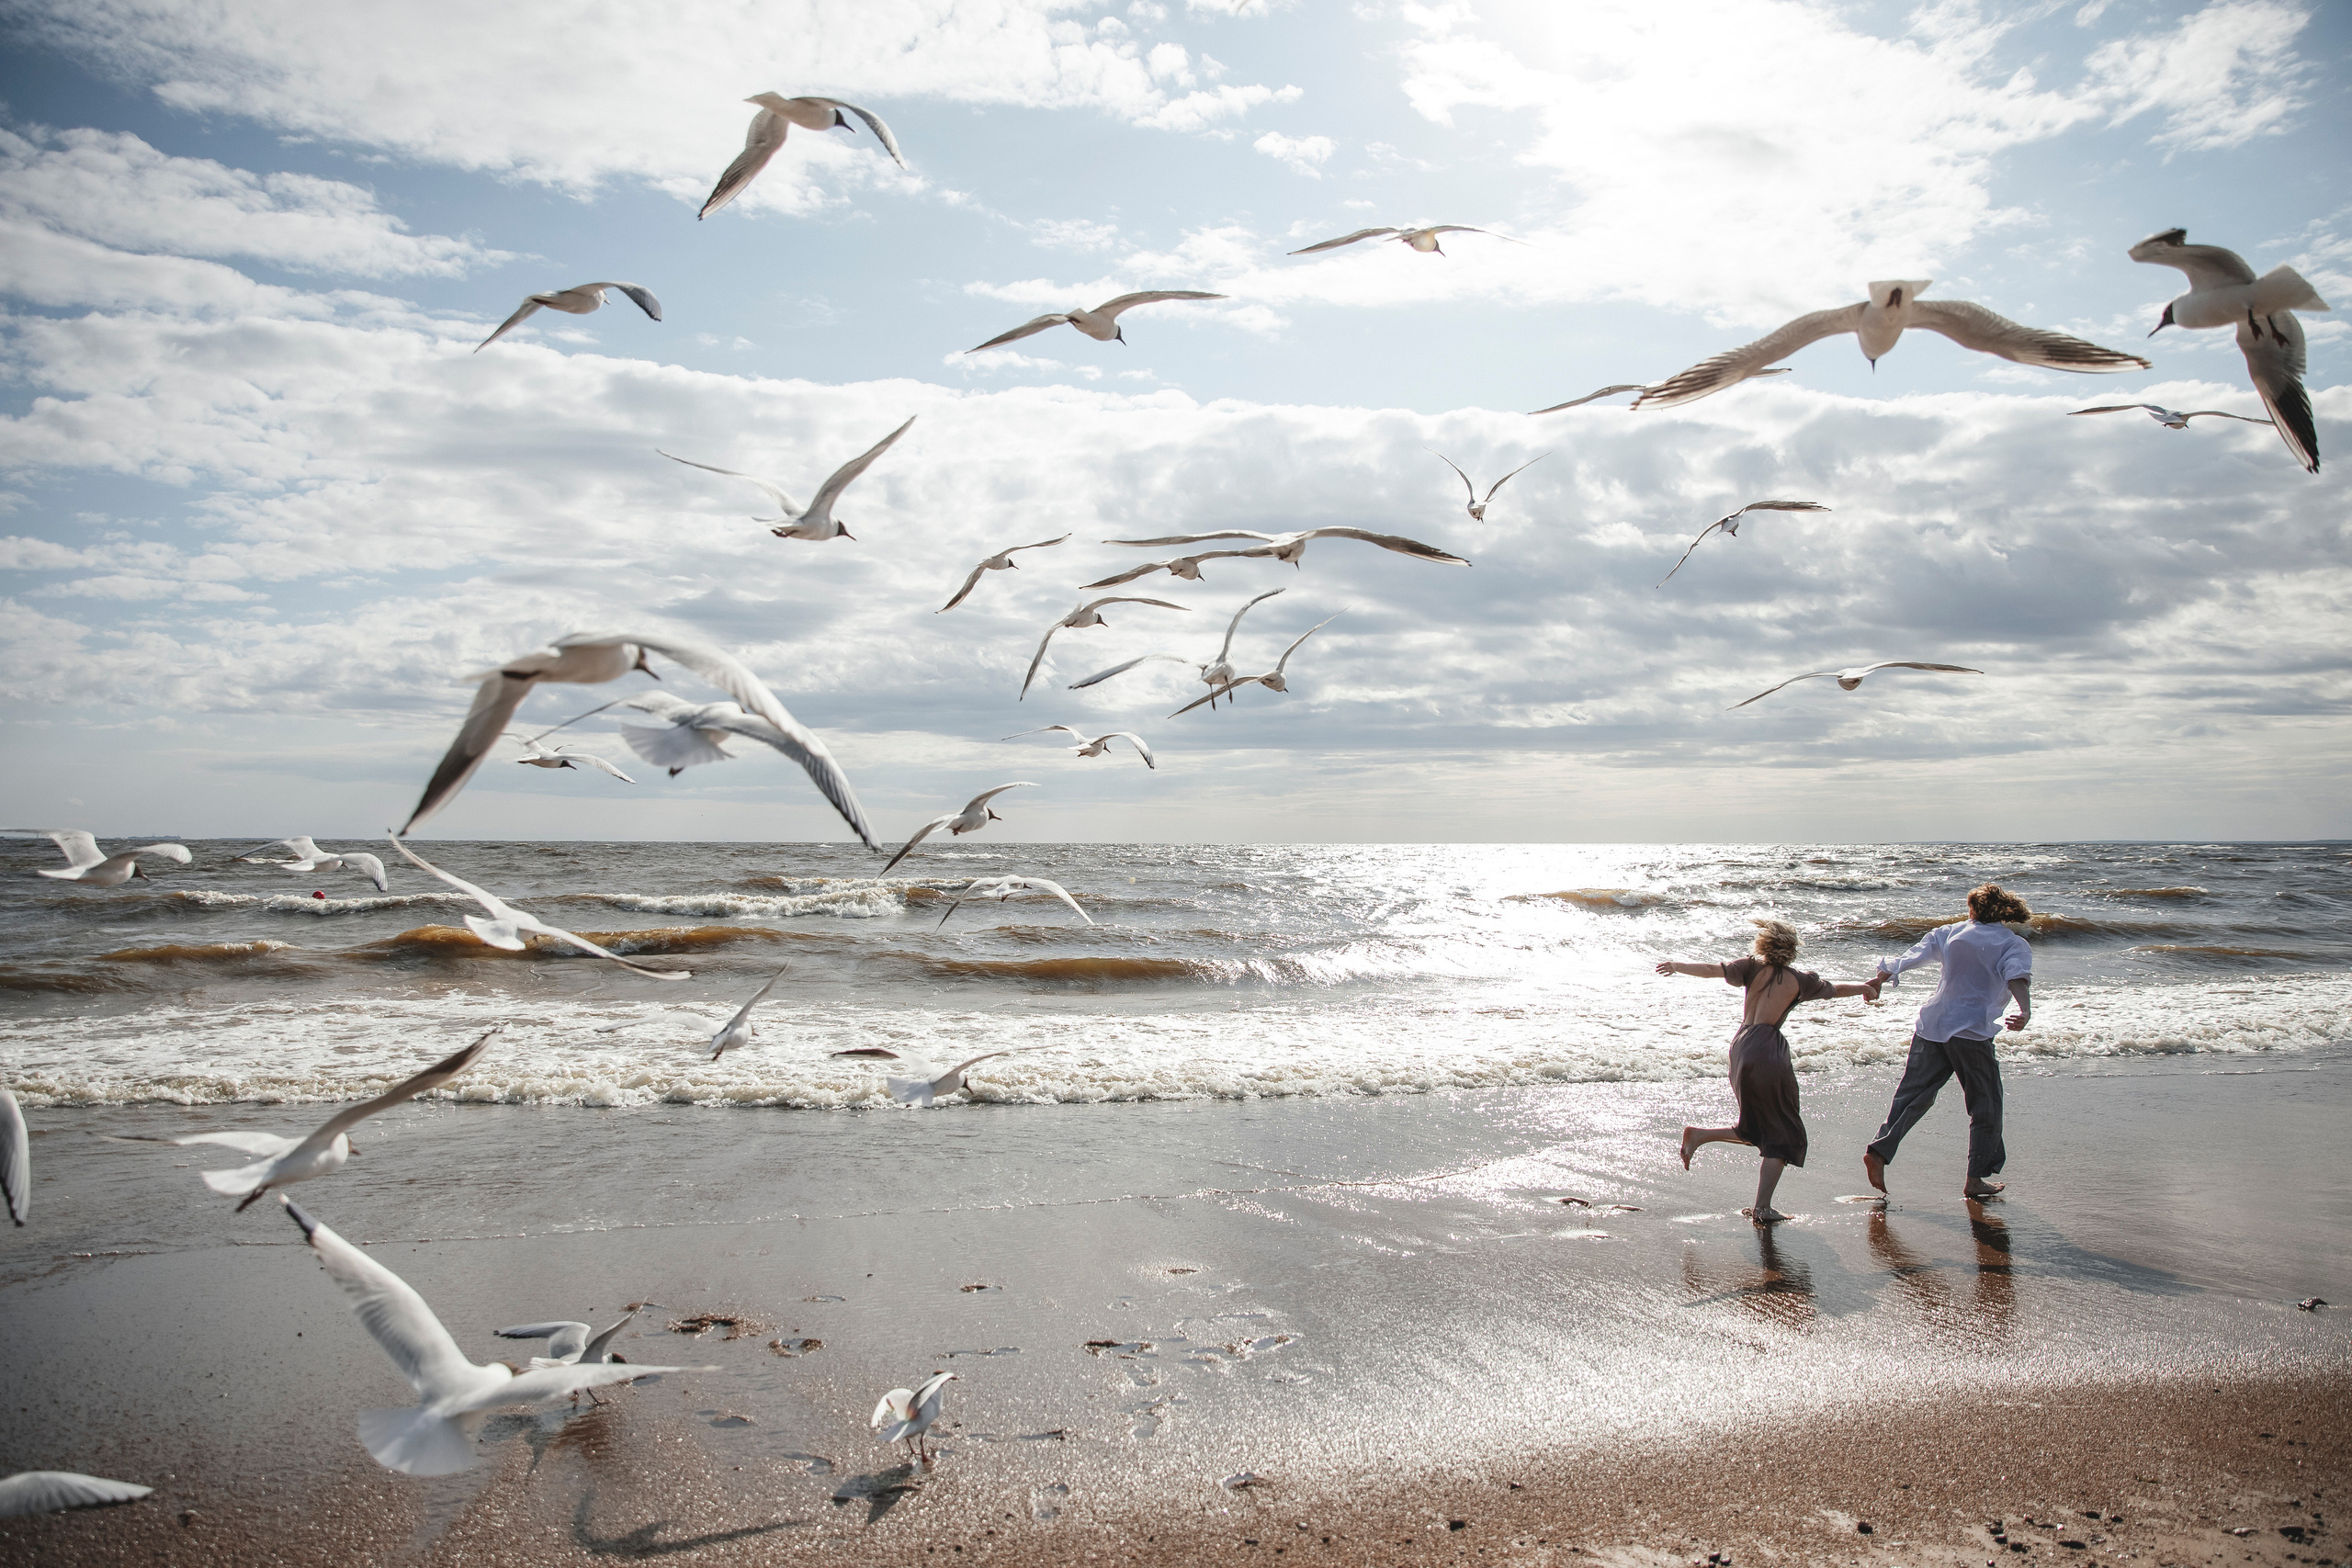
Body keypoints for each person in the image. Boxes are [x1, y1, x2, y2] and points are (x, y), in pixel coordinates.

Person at [1657, 920, 1881, 1224]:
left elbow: (1713, 969)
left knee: (1755, 1128)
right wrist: (1865, 987)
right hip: (1767, 1050)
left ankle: (1699, 1136)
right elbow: (1835, 990)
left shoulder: (1749, 967)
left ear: (1763, 944)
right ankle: (1762, 1208)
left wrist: (1677, 965)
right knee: (1783, 1133)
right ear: (1791, 949)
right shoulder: (1799, 980)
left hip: (1740, 1045)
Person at [1862, 882, 2034, 1201]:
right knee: (1986, 1104)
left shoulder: (1950, 932)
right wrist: (2024, 1010)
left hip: (1932, 1025)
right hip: (1971, 1032)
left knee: (1913, 1096)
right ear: (2003, 910)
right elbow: (2017, 977)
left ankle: (1879, 1151)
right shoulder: (2013, 943)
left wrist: (1879, 978)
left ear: (1972, 909)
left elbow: (1912, 956)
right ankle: (1975, 1179)